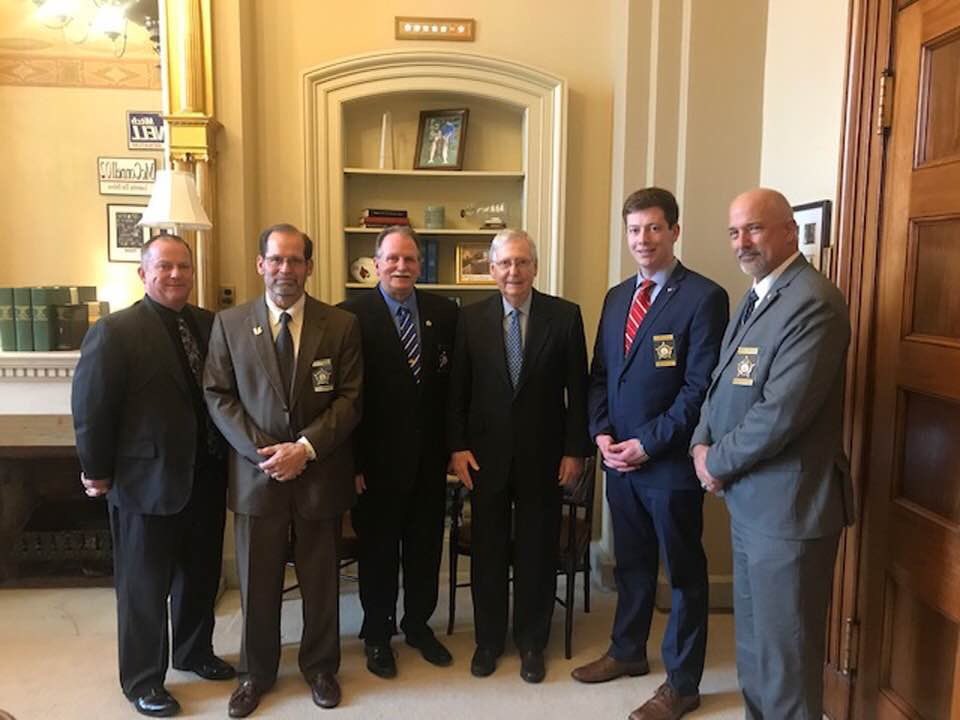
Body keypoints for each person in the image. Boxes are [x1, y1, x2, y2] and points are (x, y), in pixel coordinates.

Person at [691, 188, 853, 719]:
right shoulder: (758, 295)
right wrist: (699, 441)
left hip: (790, 512)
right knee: (755, 651)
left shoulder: (815, 302)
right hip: (750, 503)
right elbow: (720, 384)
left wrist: (715, 462)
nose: (742, 242)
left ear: (789, 231)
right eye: (734, 231)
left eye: (754, 228)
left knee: (787, 660)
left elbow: (780, 413)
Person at [573, 188, 728, 720]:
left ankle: (682, 684)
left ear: (674, 232)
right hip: (619, 463)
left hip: (668, 466)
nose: (643, 239)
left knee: (682, 574)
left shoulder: (703, 297)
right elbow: (600, 375)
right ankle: (627, 650)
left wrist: (648, 443)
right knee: (632, 565)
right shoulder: (618, 297)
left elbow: (699, 389)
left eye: (654, 228)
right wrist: (601, 434)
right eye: (635, 230)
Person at [72, 234, 235, 718]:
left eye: (183, 266)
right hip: (145, 481)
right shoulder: (115, 331)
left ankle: (194, 651)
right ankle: (143, 680)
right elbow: (92, 407)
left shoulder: (211, 324)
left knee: (200, 575)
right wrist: (96, 470)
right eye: (165, 266)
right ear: (144, 273)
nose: (176, 275)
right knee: (143, 588)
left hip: (207, 475)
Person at [203, 224, 362, 717]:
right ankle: (255, 673)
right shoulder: (230, 324)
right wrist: (266, 453)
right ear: (261, 264)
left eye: (295, 260)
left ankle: (321, 667)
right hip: (257, 477)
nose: (285, 269)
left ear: (309, 267)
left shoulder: (341, 325)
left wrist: (305, 449)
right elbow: (218, 395)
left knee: (321, 581)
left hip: (320, 474)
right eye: (276, 259)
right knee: (257, 581)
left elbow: (350, 398)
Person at [448, 228, 591, 683]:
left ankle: (532, 642)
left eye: (522, 262)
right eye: (505, 263)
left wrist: (575, 451)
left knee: (536, 552)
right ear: (492, 270)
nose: (514, 271)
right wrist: (457, 447)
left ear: (535, 267)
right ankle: (489, 641)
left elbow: (579, 392)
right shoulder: (469, 319)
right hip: (484, 459)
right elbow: (457, 392)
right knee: (488, 552)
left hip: (543, 457)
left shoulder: (564, 316)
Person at [340, 226, 458, 678]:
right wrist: (352, 463)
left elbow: (453, 390)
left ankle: (418, 626)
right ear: (376, 263)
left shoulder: (445, 313)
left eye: (409, 259)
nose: (401, 267)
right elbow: (346, 400)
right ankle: (377, 633)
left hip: (429, 462)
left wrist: (454, 448)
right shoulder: (350, 316)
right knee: (379, 554)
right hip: (375, 465)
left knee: (425, 550)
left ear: (419, 265)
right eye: (392, 258)